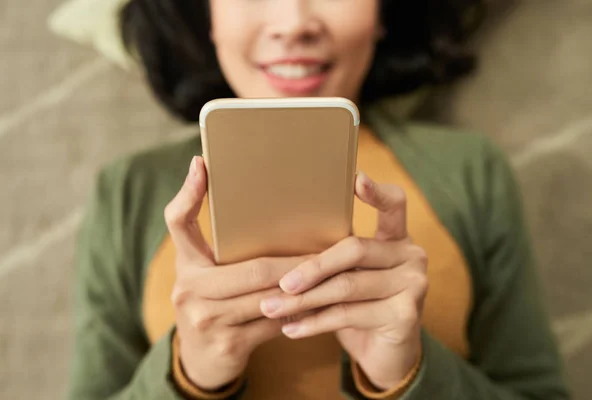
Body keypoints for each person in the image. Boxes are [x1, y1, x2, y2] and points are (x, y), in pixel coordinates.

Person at [68, 1, 571, 399]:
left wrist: (409, 372)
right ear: (206, 15)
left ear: (382, 13)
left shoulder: (470, 171)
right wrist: (189, 375)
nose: (294, 23)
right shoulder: (128, 191)